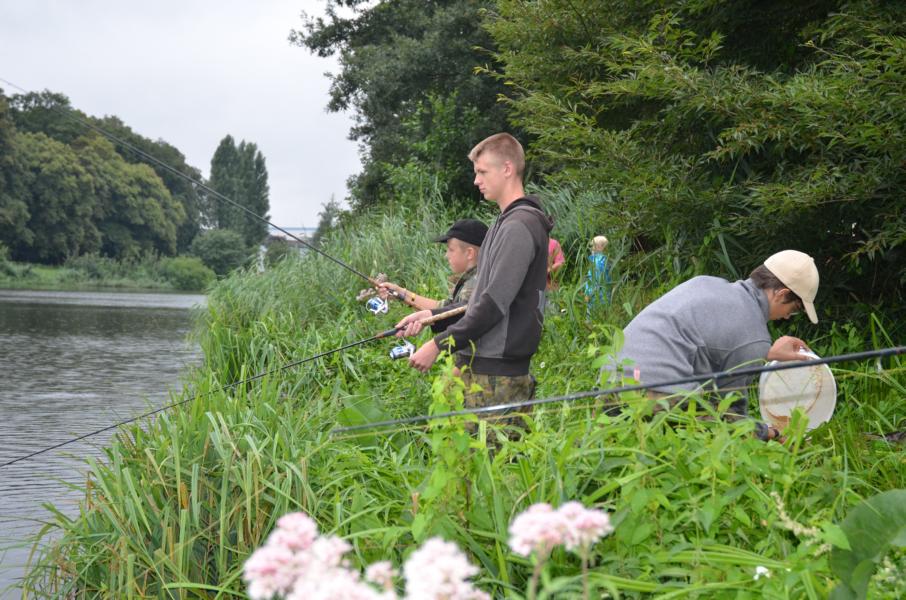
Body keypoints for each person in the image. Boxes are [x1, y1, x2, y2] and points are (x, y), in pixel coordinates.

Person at [394, 133, 553, 420]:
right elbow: (479, 301)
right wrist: (431, 316)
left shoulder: (519, 226)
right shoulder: (503, 224)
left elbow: (493, 305)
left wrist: (438, 344)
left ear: (507, 168)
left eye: (482, 172)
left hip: (498, 376)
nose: (476, 180)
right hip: (485, 367)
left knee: (491, 451)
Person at [603, 249, 820, 439]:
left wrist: (766, 352)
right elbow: (732, 417)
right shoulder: (752, 335)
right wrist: (769, 433)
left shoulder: (708, 283)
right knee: (716, 433)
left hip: (610, 381)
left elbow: (711, 340)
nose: (787, 317)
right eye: (793, 310)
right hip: (653, 397)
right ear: (781, 294)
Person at [377, 219, 488, 319]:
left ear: (469, 253)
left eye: (451, 249)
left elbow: (453, 318)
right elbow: (444, 308)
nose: (446, 255)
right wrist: (400, 293)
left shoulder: (475, 284)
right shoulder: (476, 277)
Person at [584, 235, 611, 309]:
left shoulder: (598, 262)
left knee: (593, 315)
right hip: (605, 297)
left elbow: (595, 280)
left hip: (595, 299)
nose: (591, 248)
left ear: (600, 247)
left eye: (593, 245)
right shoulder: (605, 260)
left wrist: (588, 294)